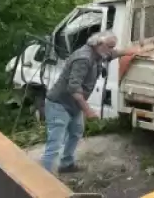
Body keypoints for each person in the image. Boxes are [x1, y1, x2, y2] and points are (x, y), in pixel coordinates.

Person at [41, 31, 136, 173]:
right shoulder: (83, 59)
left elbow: (112, 54)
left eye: (113, 46)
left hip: (74, 105)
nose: (111, 49)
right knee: (55, 142)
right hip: (59, 104)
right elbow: (74, 88)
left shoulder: (99, 54)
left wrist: (129, 51)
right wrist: (88, 110)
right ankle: (42, 178)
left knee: (75, 132)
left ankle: (66, 164)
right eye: (110, 46)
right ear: (98, 44)